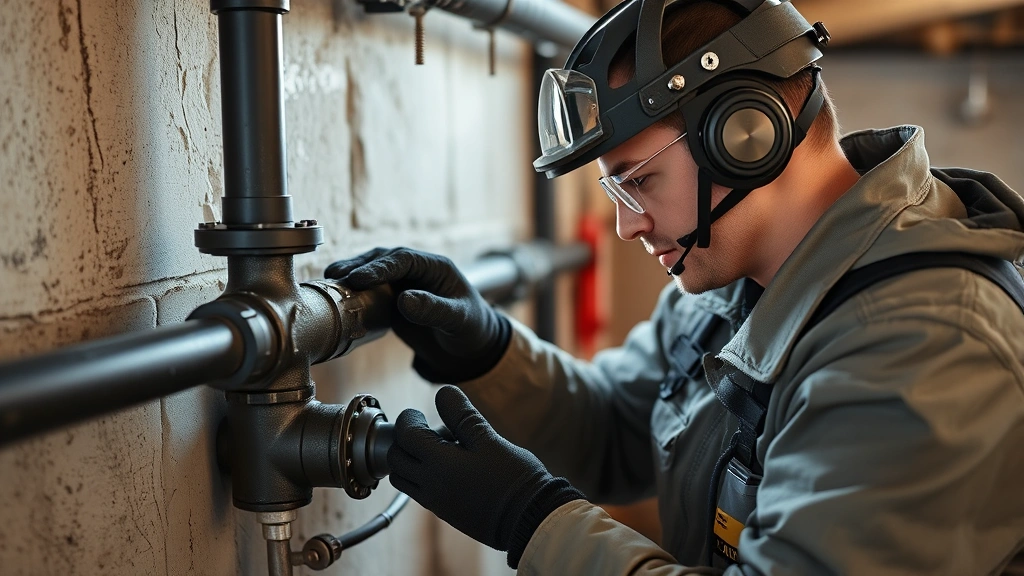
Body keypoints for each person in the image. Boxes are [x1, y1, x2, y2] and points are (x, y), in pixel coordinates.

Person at [326, 0, 1024, 573]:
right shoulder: (738, 280)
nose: (628, 227)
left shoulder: (924, 341)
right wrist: (485, 348)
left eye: (637, 181)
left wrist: (532, 523)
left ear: (745, 136)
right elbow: (620, 433)